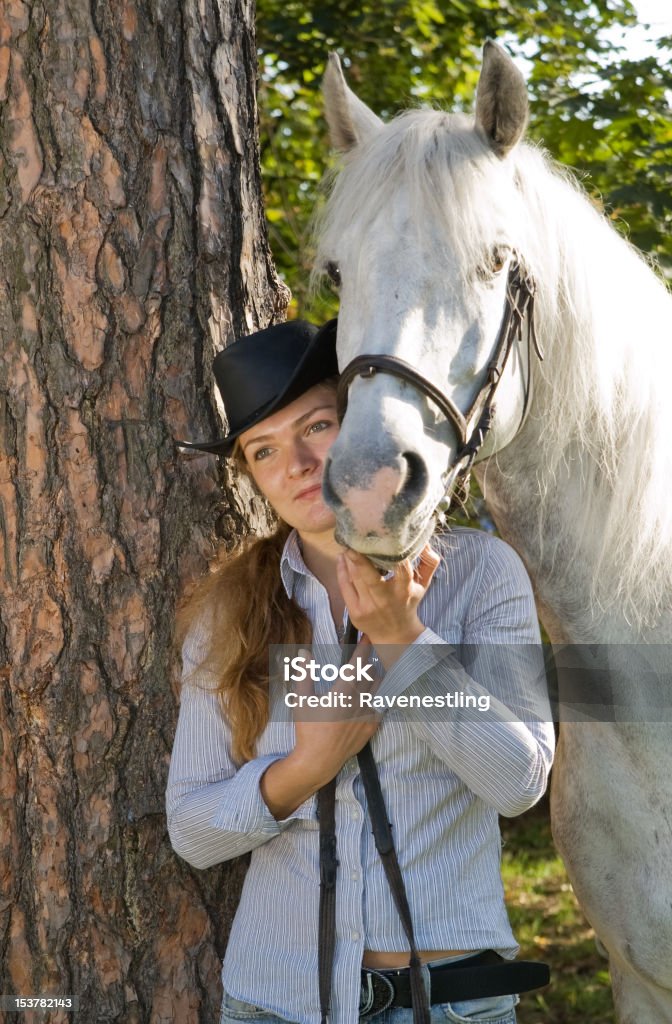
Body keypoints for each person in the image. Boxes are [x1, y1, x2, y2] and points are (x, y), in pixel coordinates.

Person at [167, 318, 555, 1024]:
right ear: (253, 476)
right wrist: (305, 767)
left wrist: (401, 636)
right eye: (264, 449)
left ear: (360, 427)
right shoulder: (227, 613)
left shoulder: (477, 574)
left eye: (315, 427)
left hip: (445, 1005)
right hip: (276, 1004)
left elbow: (518, 783)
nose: (297, 463)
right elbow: (192, 830)